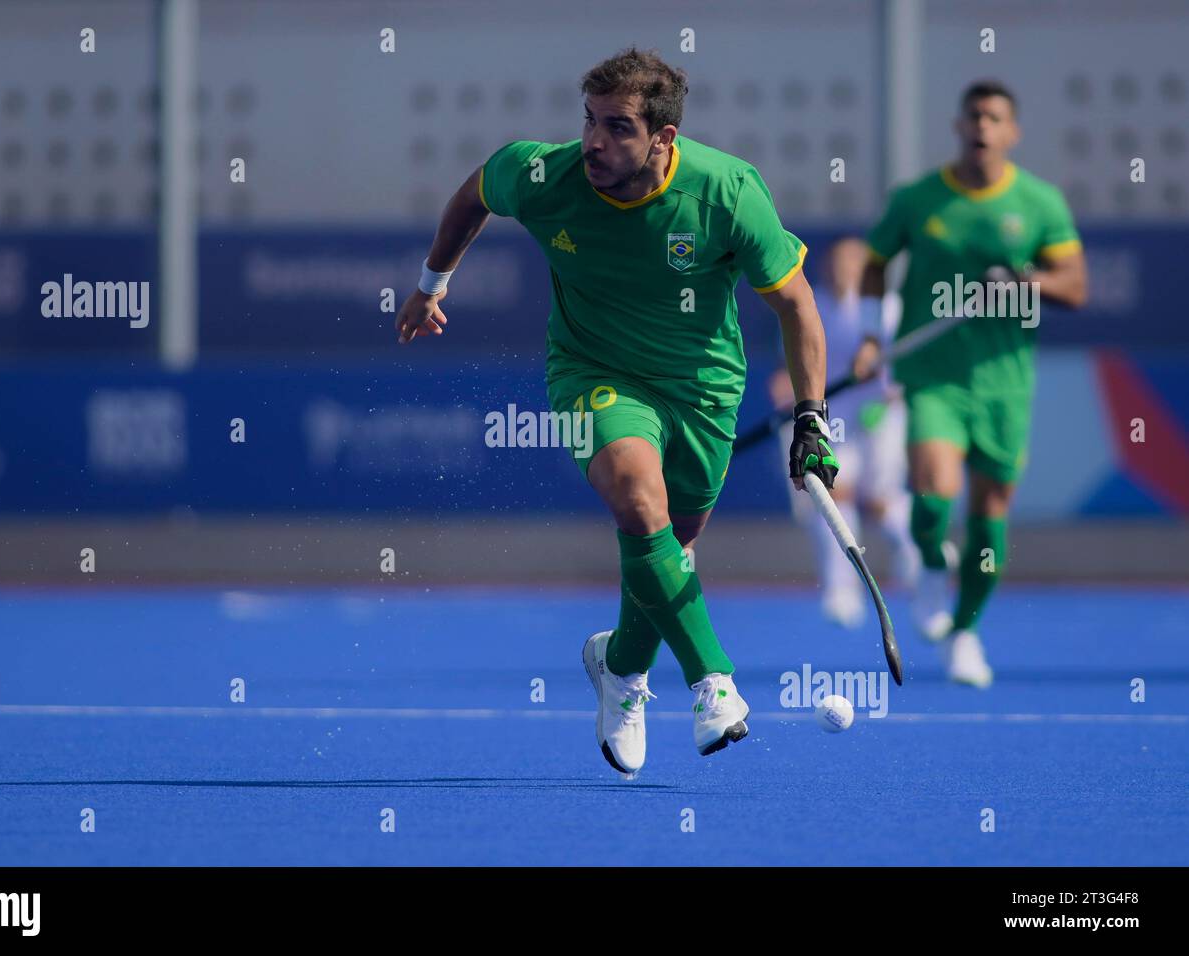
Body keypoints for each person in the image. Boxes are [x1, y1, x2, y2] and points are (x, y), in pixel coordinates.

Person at [394, 48, 837, 777]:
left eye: (619, 128)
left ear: (664, 139)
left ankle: (620, 667)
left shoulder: (727, 190)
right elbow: (473, 194)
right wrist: (431, 282)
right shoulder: (546, 174)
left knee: (668, 545)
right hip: (591, 372)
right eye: (590, 121)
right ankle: (713, 682)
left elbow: (796, 305)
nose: (594, 142)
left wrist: (813, 418)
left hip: (702, 390)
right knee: (637, 497)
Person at [852, 80, 1087, 687]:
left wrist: (1025, 283)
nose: (983, 126)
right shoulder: (918, 199)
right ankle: (932, 562)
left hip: (1005, 385)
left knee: (989, 516)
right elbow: (875, 264)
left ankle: (965, 631)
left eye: (995, 118)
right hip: (933, 377)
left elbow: (1076, 287)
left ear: (1012, 132)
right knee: (932, 494)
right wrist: (876, 334)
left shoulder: (1039, 203)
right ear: (958, 126)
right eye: (974, 116)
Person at [768, 237, 920, 629]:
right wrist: (788, 384)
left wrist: (888, 391)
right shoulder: (809, 303)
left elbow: (905, 365)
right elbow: (795, 355)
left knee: (880, 502)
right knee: (830, 493)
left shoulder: (887, 309)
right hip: (832, 414)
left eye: (850, 264)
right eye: (835, 264)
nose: (841, 272)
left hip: (881, 415)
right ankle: (840, 589)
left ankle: (916, 554)